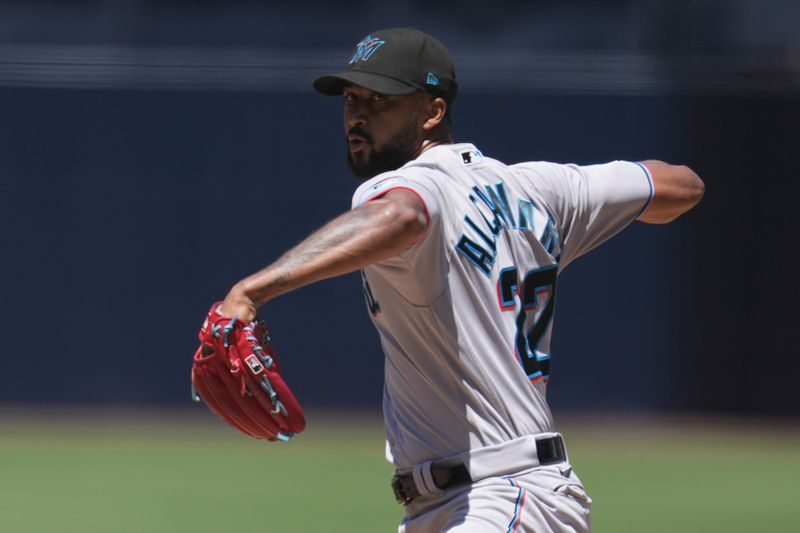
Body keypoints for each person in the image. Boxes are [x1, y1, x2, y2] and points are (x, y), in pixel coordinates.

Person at [218, 28, 704, 532]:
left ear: (432, 112)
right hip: (485, 502)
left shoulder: (409, 184)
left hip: (500, 497)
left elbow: (402, 217)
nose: (357, 115)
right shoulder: (538, 189)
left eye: (380, 100)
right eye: (351, 99)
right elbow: (680, 185)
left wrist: (252, 290)